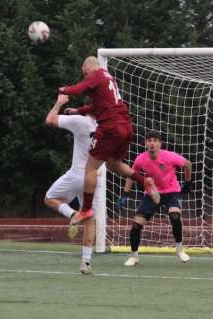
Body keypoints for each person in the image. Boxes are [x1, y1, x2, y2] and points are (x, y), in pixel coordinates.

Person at [60, 56, 159, 228]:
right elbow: (99, 106)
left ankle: (86, 209)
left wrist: (64, 90)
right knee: (114, 163)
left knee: (90, 167)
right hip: (126, 126)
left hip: (110, 128)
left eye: (84, 71)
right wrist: (79, 110)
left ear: (87, 67)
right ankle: (145, 182)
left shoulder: (96, 73)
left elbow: (80, 88)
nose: (84, 75)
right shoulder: (108, 79)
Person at [117, 131, 192, 265]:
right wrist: (125, 193)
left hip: (171, 192)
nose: (152, 143)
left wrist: (187, 182)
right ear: (145, 143)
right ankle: (134, 257)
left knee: (175, 216)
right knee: (135, 226)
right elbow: (131, 175)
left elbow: (188, 164)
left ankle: (180, 250)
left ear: (160, 143)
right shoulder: (141, 159)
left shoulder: (169, 156)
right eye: (149, 140)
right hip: (152, 193)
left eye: (155, 140)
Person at [44, 94, 99, 275]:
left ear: (85, 108)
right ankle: (86, 262)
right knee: (90, 219)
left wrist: (60, 101)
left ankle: (73, 214)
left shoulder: (80, 121)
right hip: (93, 178)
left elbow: (50, 120)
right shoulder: (107, 128)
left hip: (76, 175)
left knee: (50, 198)